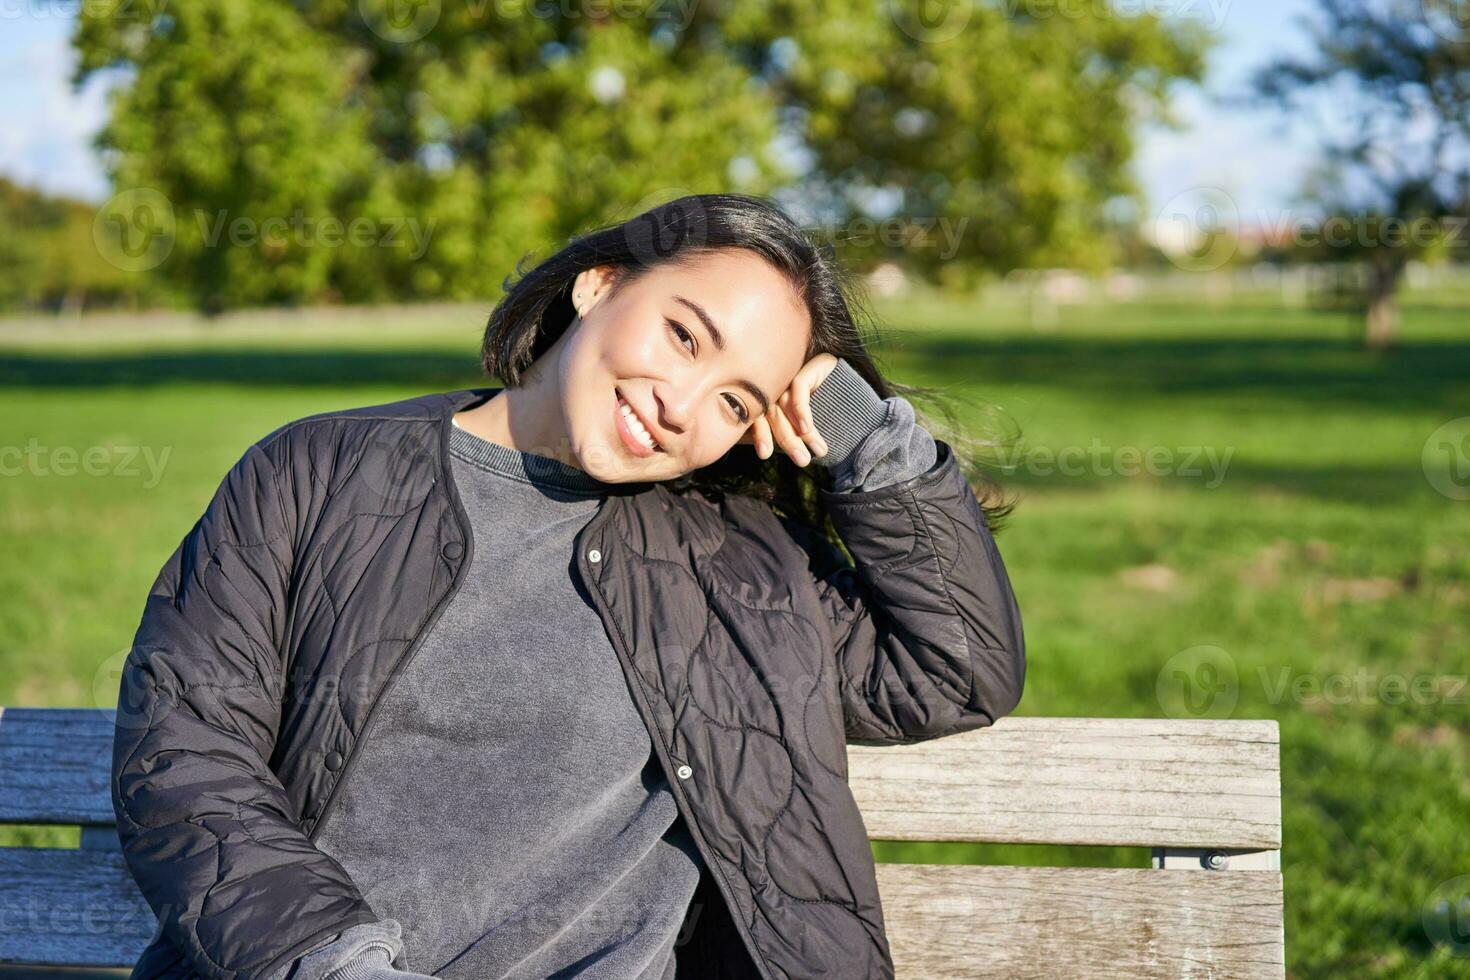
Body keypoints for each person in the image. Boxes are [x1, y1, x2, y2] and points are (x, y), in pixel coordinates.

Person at [110, 193, 1025, 980]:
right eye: (681, 336)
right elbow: (188, 753)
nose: (681, 403)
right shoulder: (320, 471)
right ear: (602, 284)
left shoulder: (739, 561)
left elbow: (957, 670)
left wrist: (867, 442)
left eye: (737, 401)